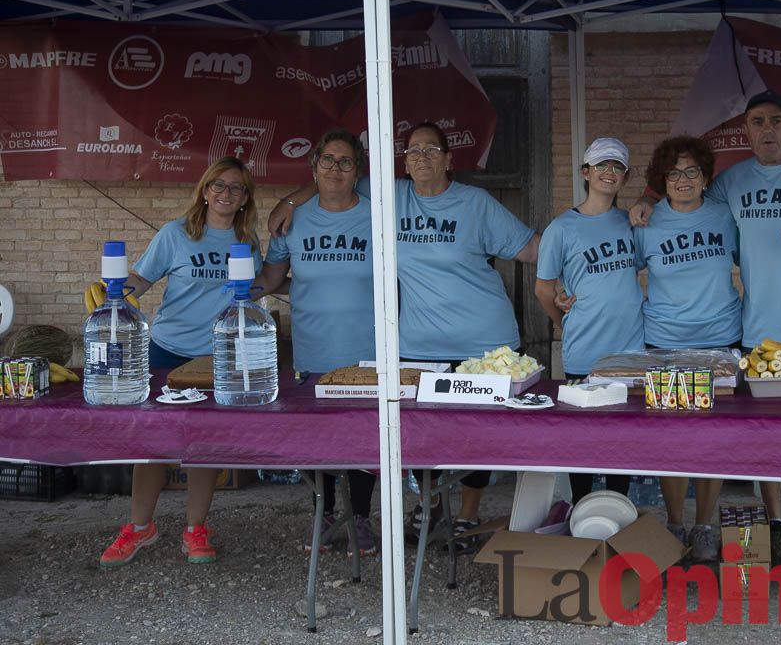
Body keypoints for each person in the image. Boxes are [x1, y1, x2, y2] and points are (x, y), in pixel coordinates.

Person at [269, 122, 539, 552]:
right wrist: (289, 199)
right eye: (413, 151)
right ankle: (431, 506)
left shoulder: (476, 203)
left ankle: (466, 514)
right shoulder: (392, 195)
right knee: (422, 434)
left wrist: (567, 281)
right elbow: (336, 179)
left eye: (432, 150)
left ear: (450, 160)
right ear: (404, 162)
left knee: (475, 435)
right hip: (418, 344)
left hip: (484, 343)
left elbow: (532, 249)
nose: (421, 158)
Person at [631, 89, 781, 567]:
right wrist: (645, 199)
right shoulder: (731, 182)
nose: (767, 129)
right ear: (747, 130)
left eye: (776, 120)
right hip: (758, 335)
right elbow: (679, 189)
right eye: (757, 122)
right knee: (767, 436)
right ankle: (776, 522)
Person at [88, 157, 262, 566]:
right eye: (217, 184)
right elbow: (142, 278)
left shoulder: (247, 241)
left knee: (204, 445)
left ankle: (195, 528)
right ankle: (139, 527)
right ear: (204, 190)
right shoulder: (176, 233)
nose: (225, 192)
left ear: (244, 199)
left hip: (217, 355)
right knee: (153, 442)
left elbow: (250, 292)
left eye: (235, 187)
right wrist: (110, 292)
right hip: (166, 349)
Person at [257, 129, 378, 556]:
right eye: (327, 160)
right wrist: (223, 285)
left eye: (346, 162)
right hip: (313, 349)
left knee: (367, 441)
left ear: (358, 170)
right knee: (319, 439)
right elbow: (272, 279)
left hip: (368, 350)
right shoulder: (294, 219)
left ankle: (360, 518)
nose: (335, 169)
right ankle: (323, 515)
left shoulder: (377, 214)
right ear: (313, 167)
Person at [632, 136, 740, 563]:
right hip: (665, 342)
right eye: (674, 173)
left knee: (715, 439)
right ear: (662, 179)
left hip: (720, 340)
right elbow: (625, 273)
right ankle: (675, 522)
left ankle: (705, 526)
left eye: (692, 171)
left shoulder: (725, 216)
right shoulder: (646, 221)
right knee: (672, 440)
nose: (683, 180)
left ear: (706, 177)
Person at [535, 137, 643, 504]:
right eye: (602, 166)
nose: (609, 173)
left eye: (617, 167)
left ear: (625, 177)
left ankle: (617, 511)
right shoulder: (562, 228)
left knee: (625, 442)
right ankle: (581, 511)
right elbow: (543, 289)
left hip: (630, 349)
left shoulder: (630, 223)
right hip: (585, 349)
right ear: (586, 172)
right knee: (582, 437)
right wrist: (560, 321)